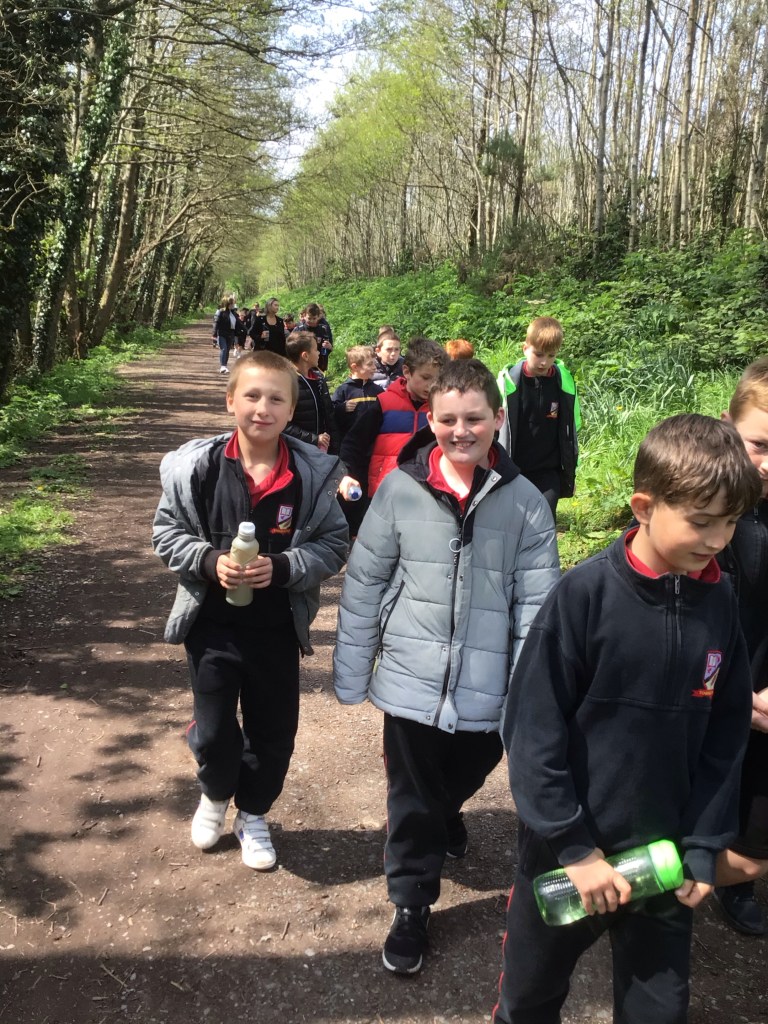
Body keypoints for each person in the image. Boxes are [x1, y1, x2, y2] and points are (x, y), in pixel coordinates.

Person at [493, 413, 760, 1024]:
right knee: (530, 996)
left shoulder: (720, 602)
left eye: (731, 522)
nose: (718, 539)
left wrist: (703, 845)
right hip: (567, 856)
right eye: (701, 521)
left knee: (659, 1009)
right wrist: (574, 848)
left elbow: (725, 740)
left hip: (663, 858)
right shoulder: (583, 596)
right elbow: (532, 732)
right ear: (644, 506)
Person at [334, 358, 560, 975]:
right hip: (412, 680)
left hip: (488, 685)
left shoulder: (527, 504)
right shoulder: (400, 490)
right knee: (411, 798)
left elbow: (536, 606)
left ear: (498, 419)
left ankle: (446, 810)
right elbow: (365, 582)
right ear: (430, 420)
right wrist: (352, 671)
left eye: (475, 419)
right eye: (448, 419)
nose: (462, 431)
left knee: (462, 773)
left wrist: (527, 690)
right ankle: (411, 903)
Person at [152, 351, 348, 871]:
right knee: (215, 731)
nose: (263, 408)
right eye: (252, 396)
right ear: (230, 401)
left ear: (291, 410)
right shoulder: (199, 469)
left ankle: (253, 814)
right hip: (211, 629)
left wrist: (284, 568)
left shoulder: (309, 476)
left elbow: (334, 543)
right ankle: (215, 795)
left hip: (276, 631)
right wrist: (208, 560)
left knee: (273, 733)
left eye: (276, 399)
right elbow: (167, 533)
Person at [713, 358, 768, 935]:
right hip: (705, 691)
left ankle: (735, 882)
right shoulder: (701, 500)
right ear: (729, 426)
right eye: (760, 445)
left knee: (752, 843)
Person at [338, 336, 447, 502]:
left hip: (429, 492)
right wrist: (345, 474)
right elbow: (354, 443)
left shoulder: (442, 407)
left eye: (437, 379)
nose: (432, 385)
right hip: (385, 491)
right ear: (407, 372)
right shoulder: (384, 403)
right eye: (426, 378)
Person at [496, 316, 581, 521]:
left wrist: (570, 471)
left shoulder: (563, 382)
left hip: (549, 471)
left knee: (545, 521)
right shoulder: (508, 384)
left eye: (551, 355)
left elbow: (573, 428)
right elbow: (495, 430)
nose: (544, 362)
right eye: (539, 354)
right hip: (516, 470)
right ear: (525, 348)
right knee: (517, 523)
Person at [283, 331, 340, 455]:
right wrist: (314, 439)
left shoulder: (318, 377)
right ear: (305, 356)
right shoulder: (287, 383)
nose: (319, 353)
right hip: (300, 452)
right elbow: (283, 425)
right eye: (315, 349)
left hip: (323, 450)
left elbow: (328, 413)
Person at [331, 345, 382, 438]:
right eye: (370, 364)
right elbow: (331, 413)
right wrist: (342, 408)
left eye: (374, 364)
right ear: (355, 367)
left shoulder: (378, 390)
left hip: (375, 441)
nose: (375, 367)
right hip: (349, 441)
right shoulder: (343, 390)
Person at [294, 303, 333, 372]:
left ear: (318, 317)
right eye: (309, 318)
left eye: (314, 318)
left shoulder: (324, 329)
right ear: (304, 316)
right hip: (303, 366)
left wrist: (329, 347)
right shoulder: (299, 330)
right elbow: (290, 347)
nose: (311, 321)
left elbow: (330, 347)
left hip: (320, 366)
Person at [211, 295, 238, 375]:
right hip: (222, 334)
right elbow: (216, 323)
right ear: (228, 304)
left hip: (230, 334)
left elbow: (238, 324)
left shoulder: (233, 313)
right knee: (224, 349)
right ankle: (222, 366)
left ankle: (225, 366)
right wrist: (214, 334)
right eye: (232, 303)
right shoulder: (220, 312)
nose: (233, 305)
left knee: (227, 350)